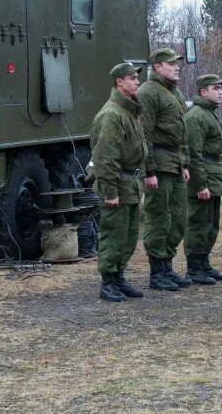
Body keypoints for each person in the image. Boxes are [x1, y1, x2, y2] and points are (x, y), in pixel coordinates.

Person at [89, 63, 148, 302]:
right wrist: (110, 191)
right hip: (118, 184)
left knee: (129, 236)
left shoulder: (130, 112)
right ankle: (108, 282)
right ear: (119, 82)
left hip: (130, 183)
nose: (137, 82)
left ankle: (119, 276)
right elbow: (105, 157)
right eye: (132, 78)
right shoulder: (111, 114)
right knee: (114, 234)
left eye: (137, 78)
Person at [137, 48, 193, 291]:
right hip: (159, 162)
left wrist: (186, 162)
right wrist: (148, 170)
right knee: (160, 217)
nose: (176, 66)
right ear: (157, 67)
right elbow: (145, 134)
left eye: (177, 63)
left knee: (178, 218)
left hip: (176, 162)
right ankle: (157, 272)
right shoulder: (148, 92)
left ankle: (167, 267)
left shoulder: (175, 92)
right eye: (171, 63)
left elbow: (183, 131)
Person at [183, 74, 222, 284]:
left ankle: (204, 263)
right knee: (198, 222)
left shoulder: (210, 114)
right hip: (203, 174)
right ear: (203, 92)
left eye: (221, 88)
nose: (220, 92)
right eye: (215, 88)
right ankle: (194, 268)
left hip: (213, 171)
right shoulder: (196, 116)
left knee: (211, 223)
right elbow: (194, 154)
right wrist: (200, 184)